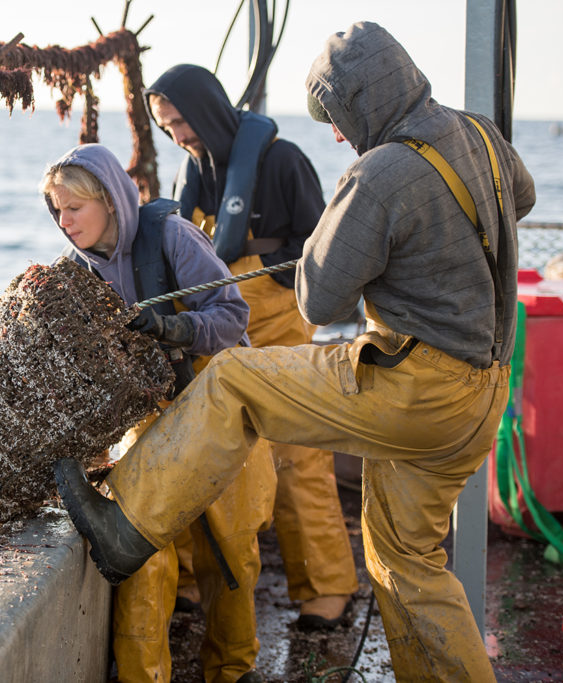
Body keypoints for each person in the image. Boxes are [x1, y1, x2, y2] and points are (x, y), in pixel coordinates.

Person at [54, 21, 536, 682]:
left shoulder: (379, 173)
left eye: (337, 116)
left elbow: (318, 300)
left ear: (363, 99)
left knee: (232, 381)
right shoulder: (480, 132)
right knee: (407, 560)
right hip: (484, 389)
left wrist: (353, 226)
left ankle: (124, 524)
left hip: (417, 386)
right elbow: (524, 196)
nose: (337, 133)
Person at [42, 143, 275, 683]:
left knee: (233, 552)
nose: (65, 220)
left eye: (74, 206)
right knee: (144, 554)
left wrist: (176, 327)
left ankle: (233, 670)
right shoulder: (77, 275)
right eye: (57, 210)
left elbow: (232, 314)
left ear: (110, 199)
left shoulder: (170, 236)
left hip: (218, 397)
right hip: (149, 415)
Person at [144, 63, 359, 630]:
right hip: (212, 331)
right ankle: (189, 580)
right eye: (166, 129)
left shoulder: (283, 161)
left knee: (296, 457)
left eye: (180, 123)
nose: (177, 137)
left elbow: (319, 247)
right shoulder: (193, 169)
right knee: (197, 453)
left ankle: (328, 587)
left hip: (278, 329)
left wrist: (253, 269)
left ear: (207, 110)